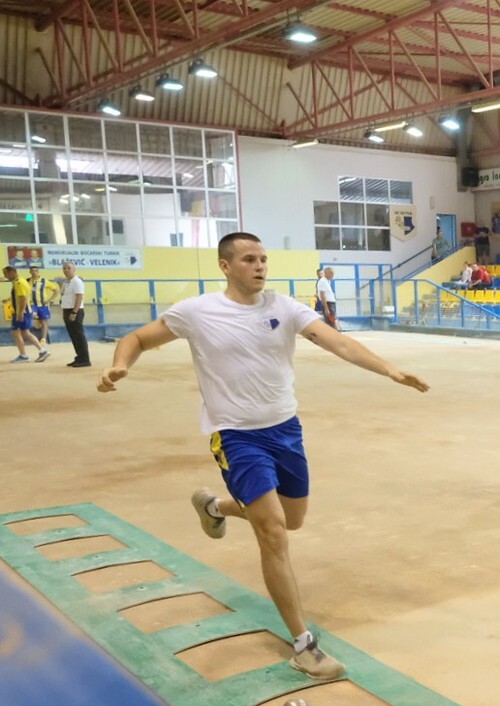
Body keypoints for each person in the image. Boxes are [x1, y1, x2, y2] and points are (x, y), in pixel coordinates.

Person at [96, 232, 428, 680]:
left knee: (292, 519)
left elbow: (338, 342)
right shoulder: (197, 312)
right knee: (273, 532)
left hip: (285, 429)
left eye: (264, 259)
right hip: (234, 435)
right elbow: (138, 337)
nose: (260, 266)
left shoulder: (285, 307)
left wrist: (390, 369)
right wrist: (121, 365)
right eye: (249, 259)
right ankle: (303, 644)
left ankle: (215, 506)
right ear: (225, 266)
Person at [5, 265, 48, 363]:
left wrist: (20, 313)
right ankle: (39, 351)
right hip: (22, 312)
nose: (5, 276)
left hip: (22, 312)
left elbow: (23, 298)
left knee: (21, 332)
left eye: (6, 273)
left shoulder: (20, 283)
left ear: (11, 272)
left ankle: (27, 354)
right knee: (21, 332)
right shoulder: (19, 281)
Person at [60, 261, 90, 367]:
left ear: (74, 269)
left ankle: (85, 359)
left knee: (79, 335)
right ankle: (79, 357)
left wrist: (74, 312)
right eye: (64, 268)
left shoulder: (77, 281)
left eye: (69, 268)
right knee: (73, 336)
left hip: (75, 311)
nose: (66, 270)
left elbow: (79, 297)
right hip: (67, 310)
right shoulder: (66, 282)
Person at [28, 264, 58, 351]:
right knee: (32, 316)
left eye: (36, 271)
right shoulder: (27, 281)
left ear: (38, 272)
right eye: (32, 271)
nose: (34, 272)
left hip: (43, 305)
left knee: (44, 322)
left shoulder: (45, 281)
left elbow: (56, 290)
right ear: (30, 272)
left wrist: (49, 300)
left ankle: (43, 339)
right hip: (33, 305)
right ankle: (36, 325)